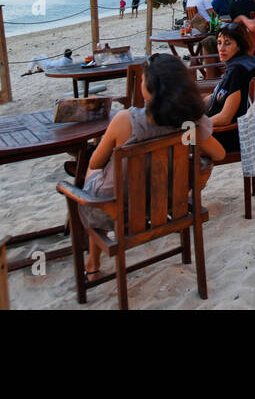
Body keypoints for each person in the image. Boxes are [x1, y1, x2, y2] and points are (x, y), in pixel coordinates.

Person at [78, 54, 226, 274]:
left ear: (150, 88)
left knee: (91, 170)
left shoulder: (124, 120)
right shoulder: (189, 123)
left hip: (115, 209)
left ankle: (93, 259)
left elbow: (97, 162)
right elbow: (219, 154)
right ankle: (92, 257)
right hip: (166, 204)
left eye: (142, 79)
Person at [205, 25, 255, 153]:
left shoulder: (238, 72)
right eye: (219, 43)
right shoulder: (233, 68)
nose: (221, 48)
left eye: (227, 44)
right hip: (214, 132)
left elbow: (225, 117)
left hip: (224, 137)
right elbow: (217, 97)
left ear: (239, 46)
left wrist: (198, 124)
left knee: (174, 142)